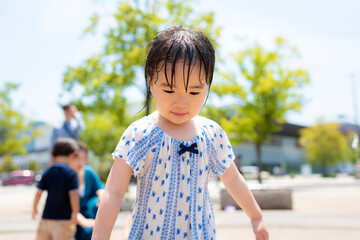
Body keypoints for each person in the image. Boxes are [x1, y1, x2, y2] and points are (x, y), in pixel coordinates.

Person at [92, 26, 269, 240]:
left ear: (207, 86)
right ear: (150, 82)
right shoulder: (140, 134)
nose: (181, 102)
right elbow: (113, 192)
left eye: (194, 91)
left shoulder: (211, 134)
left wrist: (256, 216)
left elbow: (232, 179)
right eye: (168, 90)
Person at [32, 137, 80, 240]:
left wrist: (34, 208)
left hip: (46, 218)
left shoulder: (47, 172)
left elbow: (38, 192)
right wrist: (75, 213)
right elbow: (74, 195)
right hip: (64, 219)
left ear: (52, 155)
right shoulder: (71, 173)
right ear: (72, 154)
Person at [73, 141, 104, 240]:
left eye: (84, 159)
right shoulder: (66, 177)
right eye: (77, 158)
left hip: (90, 213)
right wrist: (84, 222)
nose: (81, 162)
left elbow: (100, 188)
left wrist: (101, 197)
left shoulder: (88, 172)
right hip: (73, 216)